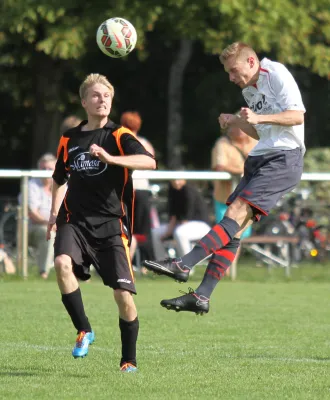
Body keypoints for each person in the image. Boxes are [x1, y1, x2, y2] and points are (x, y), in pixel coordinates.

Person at [143, 41, 305, 315]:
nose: (230, 77)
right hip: (260, 157)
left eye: (233, 70)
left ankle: (183, 264)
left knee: (234, 212)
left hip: (284, 158)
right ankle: (202, 296)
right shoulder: (248, 89)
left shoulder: (274, 73)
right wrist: (237, 121)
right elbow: (259, 132)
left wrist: (258, 116)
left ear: (251, 62)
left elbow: (296, 116)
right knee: (233, 229)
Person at [47, 73, 156, 372]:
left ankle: (128, 360)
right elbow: (59, 179)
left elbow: (149, 161)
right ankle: (84, 329)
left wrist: (112, 159)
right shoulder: (70, 138)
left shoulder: (118, 136)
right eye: (96, 95)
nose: (103, 99)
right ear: (84, 101)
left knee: (123, 297)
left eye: (107, 95)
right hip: (75, 220)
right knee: (61, 264)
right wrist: (53, 215)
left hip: (111, 225)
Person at [120, 111, 157, 265]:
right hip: (142, 190)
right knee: (144, 230)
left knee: (124, 228)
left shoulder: (120, 141)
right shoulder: (145, 143)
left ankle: (127, 262)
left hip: (126, 189)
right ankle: (148, 263)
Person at [151, 178, 211, 261]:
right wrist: (168, 231)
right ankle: (162, 264)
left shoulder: (189, 191)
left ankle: (187, 265)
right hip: (180, 225)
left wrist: (169, 233)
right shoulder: (173, 191)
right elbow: (173, 215)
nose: (176, 182)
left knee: (179, 233)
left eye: (178, 179)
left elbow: (186, 218)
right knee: (155, 232)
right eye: (173, 180)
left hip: (201, 225)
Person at [25, 153, 57, 279]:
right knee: (47, 233)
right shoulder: (31, 185)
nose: (46, 172)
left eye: (50, 169)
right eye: (43, 169)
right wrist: (50, 224)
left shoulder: (62, 185)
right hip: (32, 228)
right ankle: (43, 272)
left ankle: (79, 273)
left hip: (58, 225)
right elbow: (32, 213)